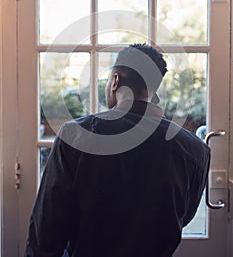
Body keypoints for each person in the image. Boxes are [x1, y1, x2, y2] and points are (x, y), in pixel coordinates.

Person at [24, 43, 210, 257]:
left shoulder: (76, 136)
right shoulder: (196, 150)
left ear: (115, 81)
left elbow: (46, 231)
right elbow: (183, 217)